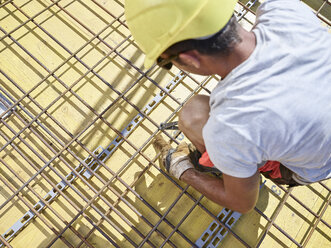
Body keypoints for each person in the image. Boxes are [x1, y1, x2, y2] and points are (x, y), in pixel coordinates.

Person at [125, 0, 331, 213]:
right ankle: (235, 159)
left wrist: (184, 170)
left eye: (166, 62)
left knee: (193, 116)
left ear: (189, 58)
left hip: (308, 168)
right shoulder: (286, 10)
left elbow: (242, 204)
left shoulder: (232, 124)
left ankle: (228, 162)